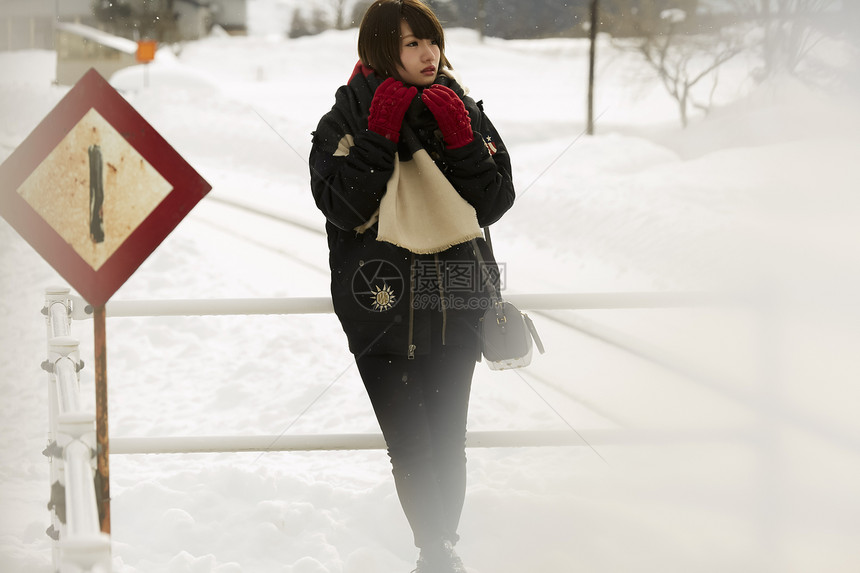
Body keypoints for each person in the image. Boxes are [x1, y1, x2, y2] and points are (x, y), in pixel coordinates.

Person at [309, 1, 515, 571]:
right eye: (410, 44)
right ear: (380, 51)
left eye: (431, 41)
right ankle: (435, 549)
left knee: (448, 437)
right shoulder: (342, 121)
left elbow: (495, 201)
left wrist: (463, 140)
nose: (428, 55)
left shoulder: (459, 107)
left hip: (456, 297)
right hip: (381, 304)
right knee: (412, 442)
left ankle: (441, 548)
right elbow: (343, 207)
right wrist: (378, 133)